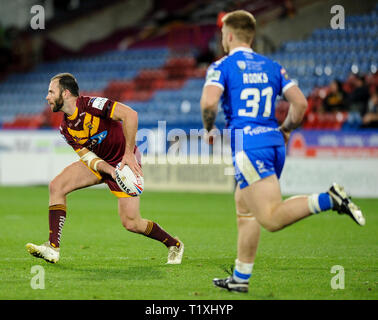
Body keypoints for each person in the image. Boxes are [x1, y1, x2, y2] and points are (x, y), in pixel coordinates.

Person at [200, 10, 365, 293]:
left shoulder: (222, 66)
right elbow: (300, 105)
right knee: (245, 208)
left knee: (271, 218)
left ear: (228, 36)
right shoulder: (272, 66)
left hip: (248, 146)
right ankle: (240, 277)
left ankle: (329, 199)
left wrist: (208, 129)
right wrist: (286, 129)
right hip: (273, 142)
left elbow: (208, 104)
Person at [26, 73, 184, 264]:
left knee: (131, 223)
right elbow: (88, 158)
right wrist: (110, 171)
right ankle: (52, 248)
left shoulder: (92, 105)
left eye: (51, 92)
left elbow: (130, 115)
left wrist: (128, 155)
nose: (47, 97)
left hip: (124, 161)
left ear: (65, 93)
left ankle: (174, 244)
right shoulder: (65, 128)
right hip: (102, 163)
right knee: (57, 186)